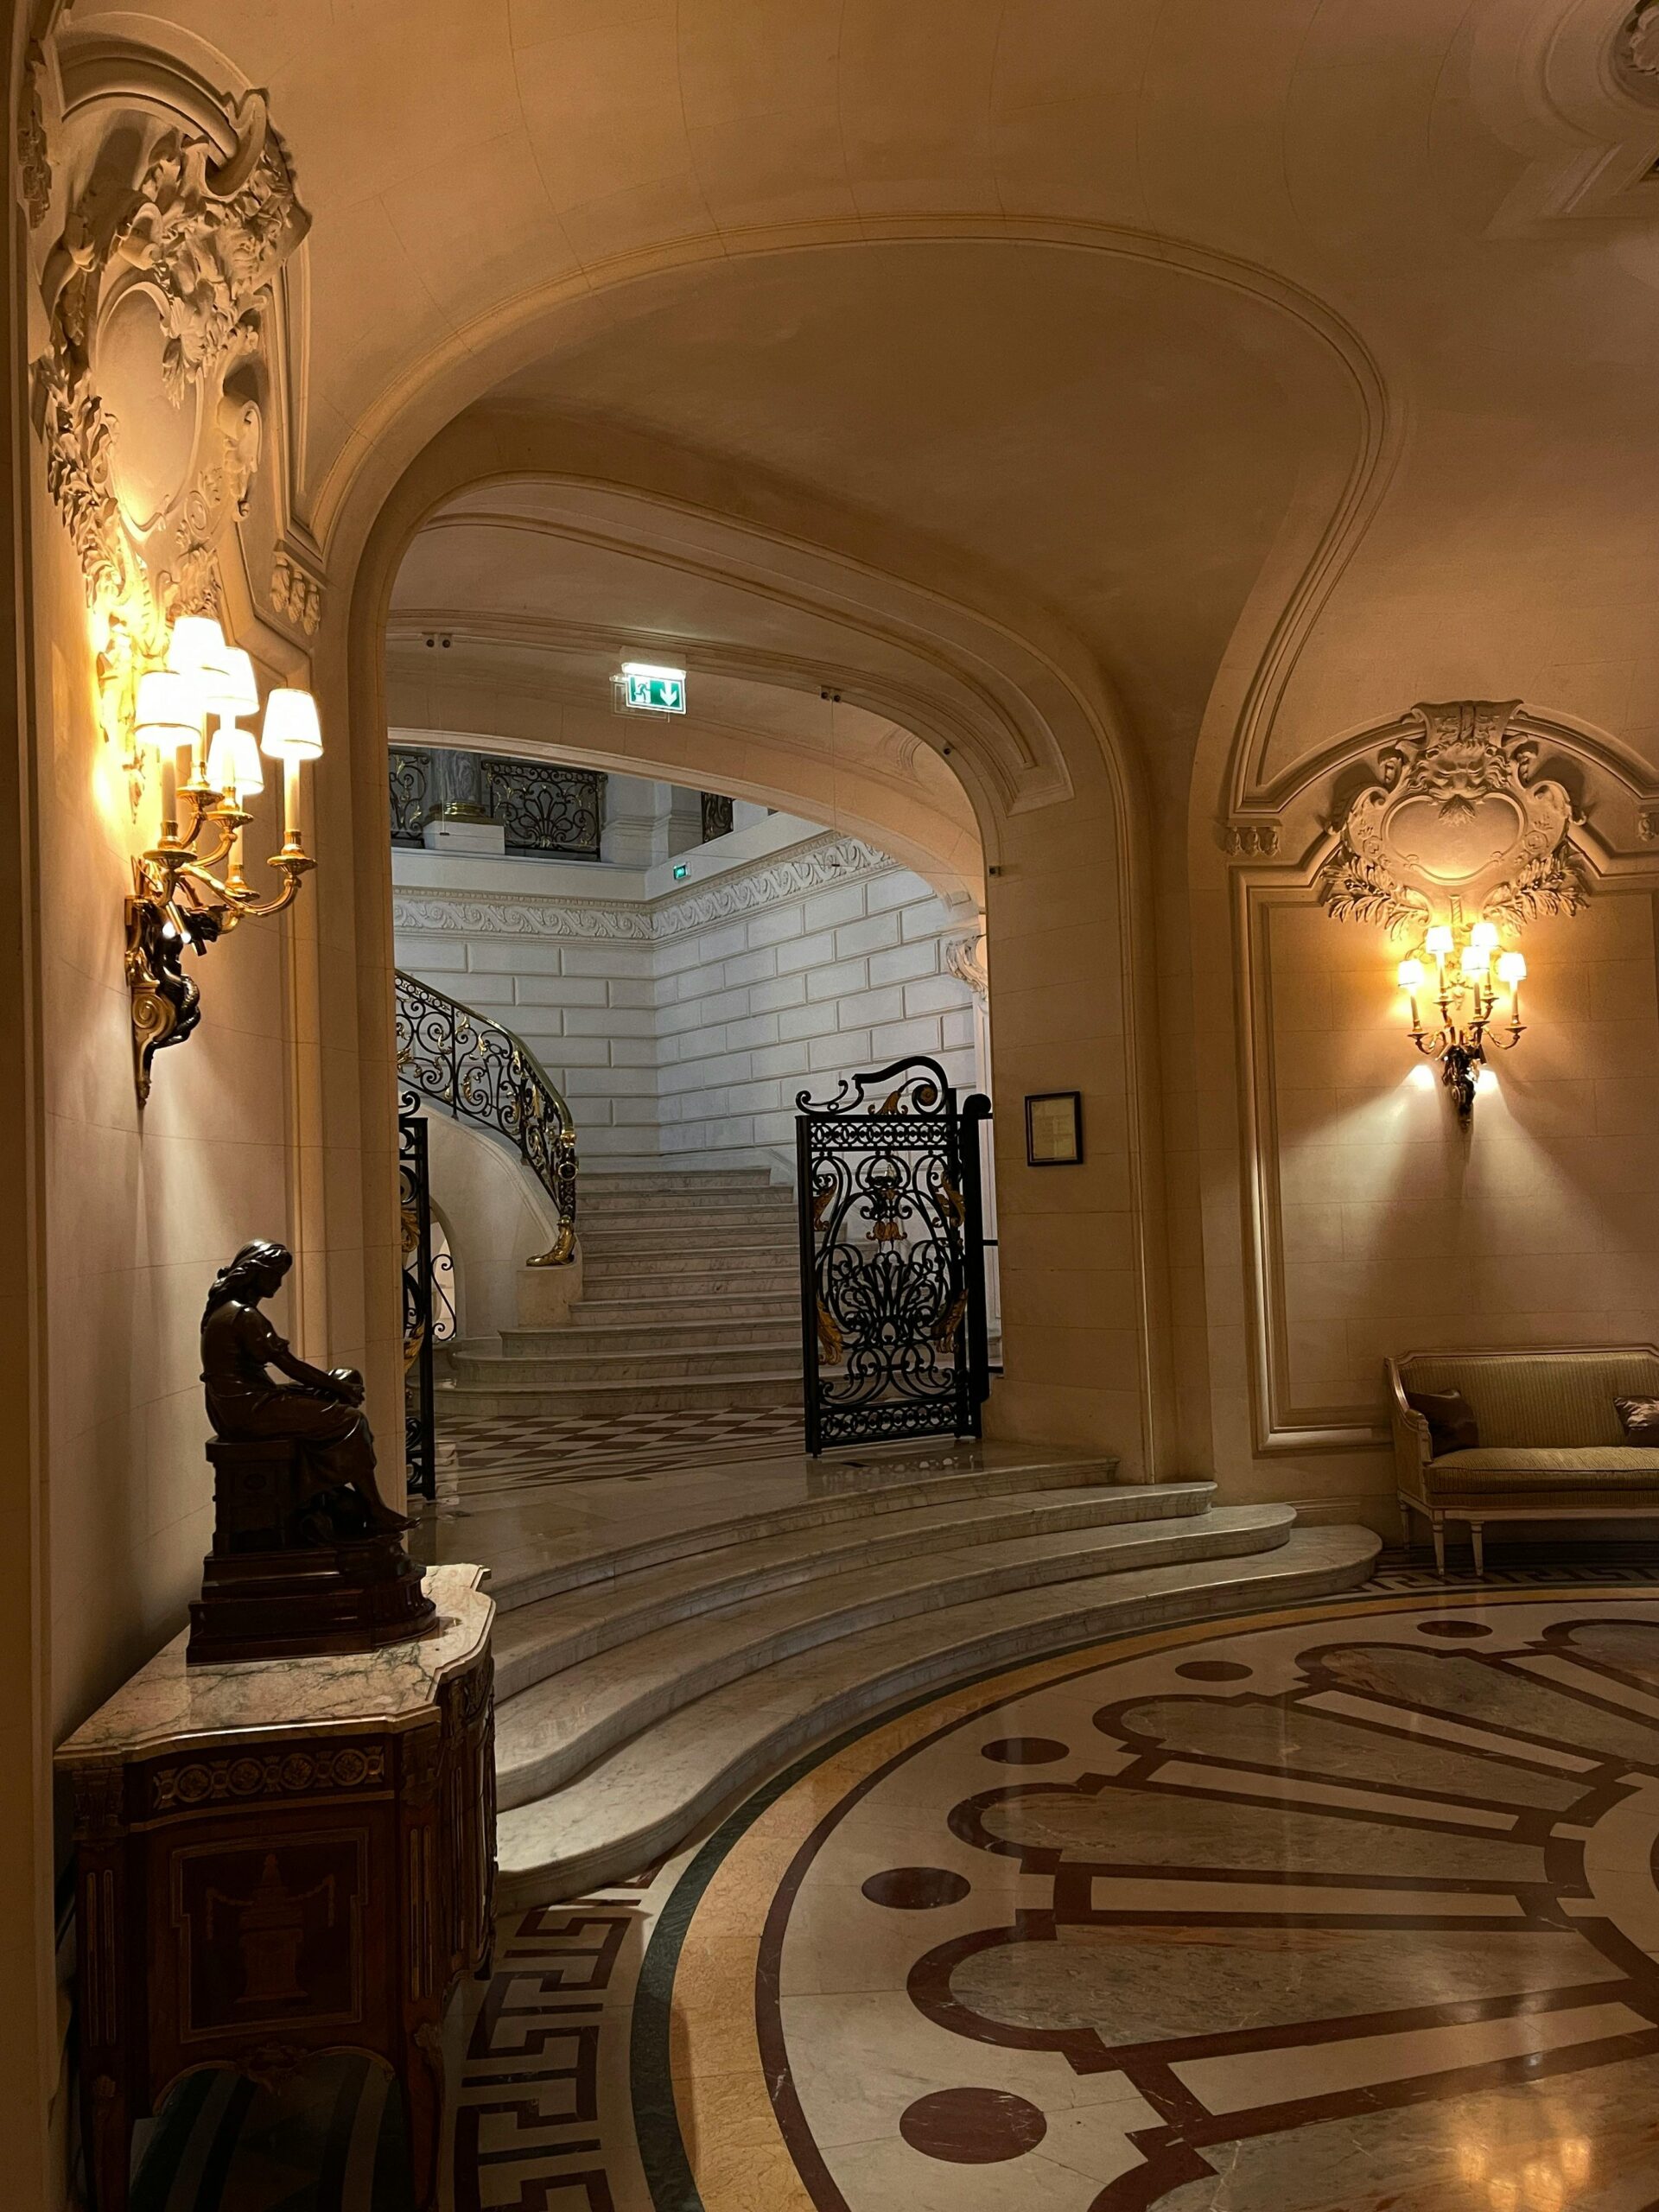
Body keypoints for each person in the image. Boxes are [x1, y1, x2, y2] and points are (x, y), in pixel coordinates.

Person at [200, 1239, 409, 1536]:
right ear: (256, 1273)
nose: (279, 1283)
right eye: (276, 1275)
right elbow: (290, 1365)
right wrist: (340, 1389)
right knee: (351, 1420)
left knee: (341, 1381)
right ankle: (372, 1508)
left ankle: (327, 1492)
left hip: (241, 1404)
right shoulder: (243, 1316)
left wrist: (333, 1384)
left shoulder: (226, 1311)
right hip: (247, 1411)